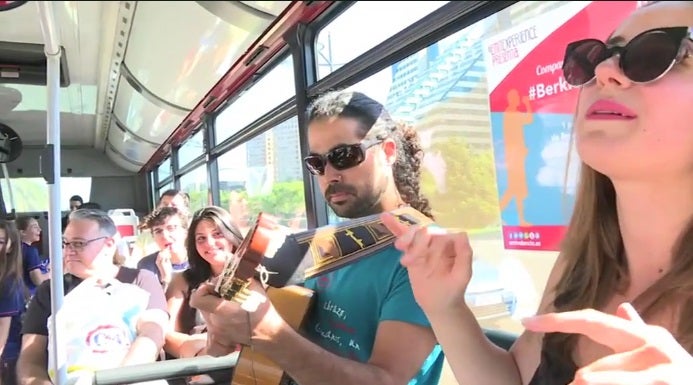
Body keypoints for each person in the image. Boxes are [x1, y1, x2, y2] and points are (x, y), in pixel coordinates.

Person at [382, 3, 693, 385]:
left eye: (657, 54)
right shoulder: (582, 266)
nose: (604, 71)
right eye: (596, 57)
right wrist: (445, 307)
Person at [190, 91, 444, 385]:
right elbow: (270, 342)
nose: (330, 174)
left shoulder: (426, 251)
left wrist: (264, 331)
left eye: (345, 156)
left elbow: (386, 380)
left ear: (388, 152)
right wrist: (222, 326)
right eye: (317, 163)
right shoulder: (326, 243)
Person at [17, 209, 169, 385]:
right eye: (65, 243)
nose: (69, 251)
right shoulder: (51, 291)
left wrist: (120, 379)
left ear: (110, 244)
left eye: (79, 243)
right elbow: (31, 357)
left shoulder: (141, 280)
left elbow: (153, 334)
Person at [164, 206, 244, 384]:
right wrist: (199, 350)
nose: (209, 243)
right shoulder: (182, 280)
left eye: (217, 234)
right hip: (197, 360)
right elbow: (166, 335)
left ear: (231, 235)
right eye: (201, 238)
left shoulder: (255, 276)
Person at [0, 220, 27, 385]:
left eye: (0, 242)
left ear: (11, 246)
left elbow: (2, 330)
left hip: (7, 356)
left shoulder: (8, 282)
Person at [137, 206, 190, 288]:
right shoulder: (146, 266)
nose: (165, 236)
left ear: (185, 232)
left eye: (171, 228)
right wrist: (165, 278)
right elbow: (152, 300)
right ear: (153, 237)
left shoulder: (200, 260)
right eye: (158, 231)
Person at [15, 216, 49, 297]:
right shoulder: (31, 251)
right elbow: (38, 280)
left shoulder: (14, 249)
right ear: (22, 232)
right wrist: (52, 274)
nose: (39, 230)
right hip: (29, 295)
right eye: (35, 227)